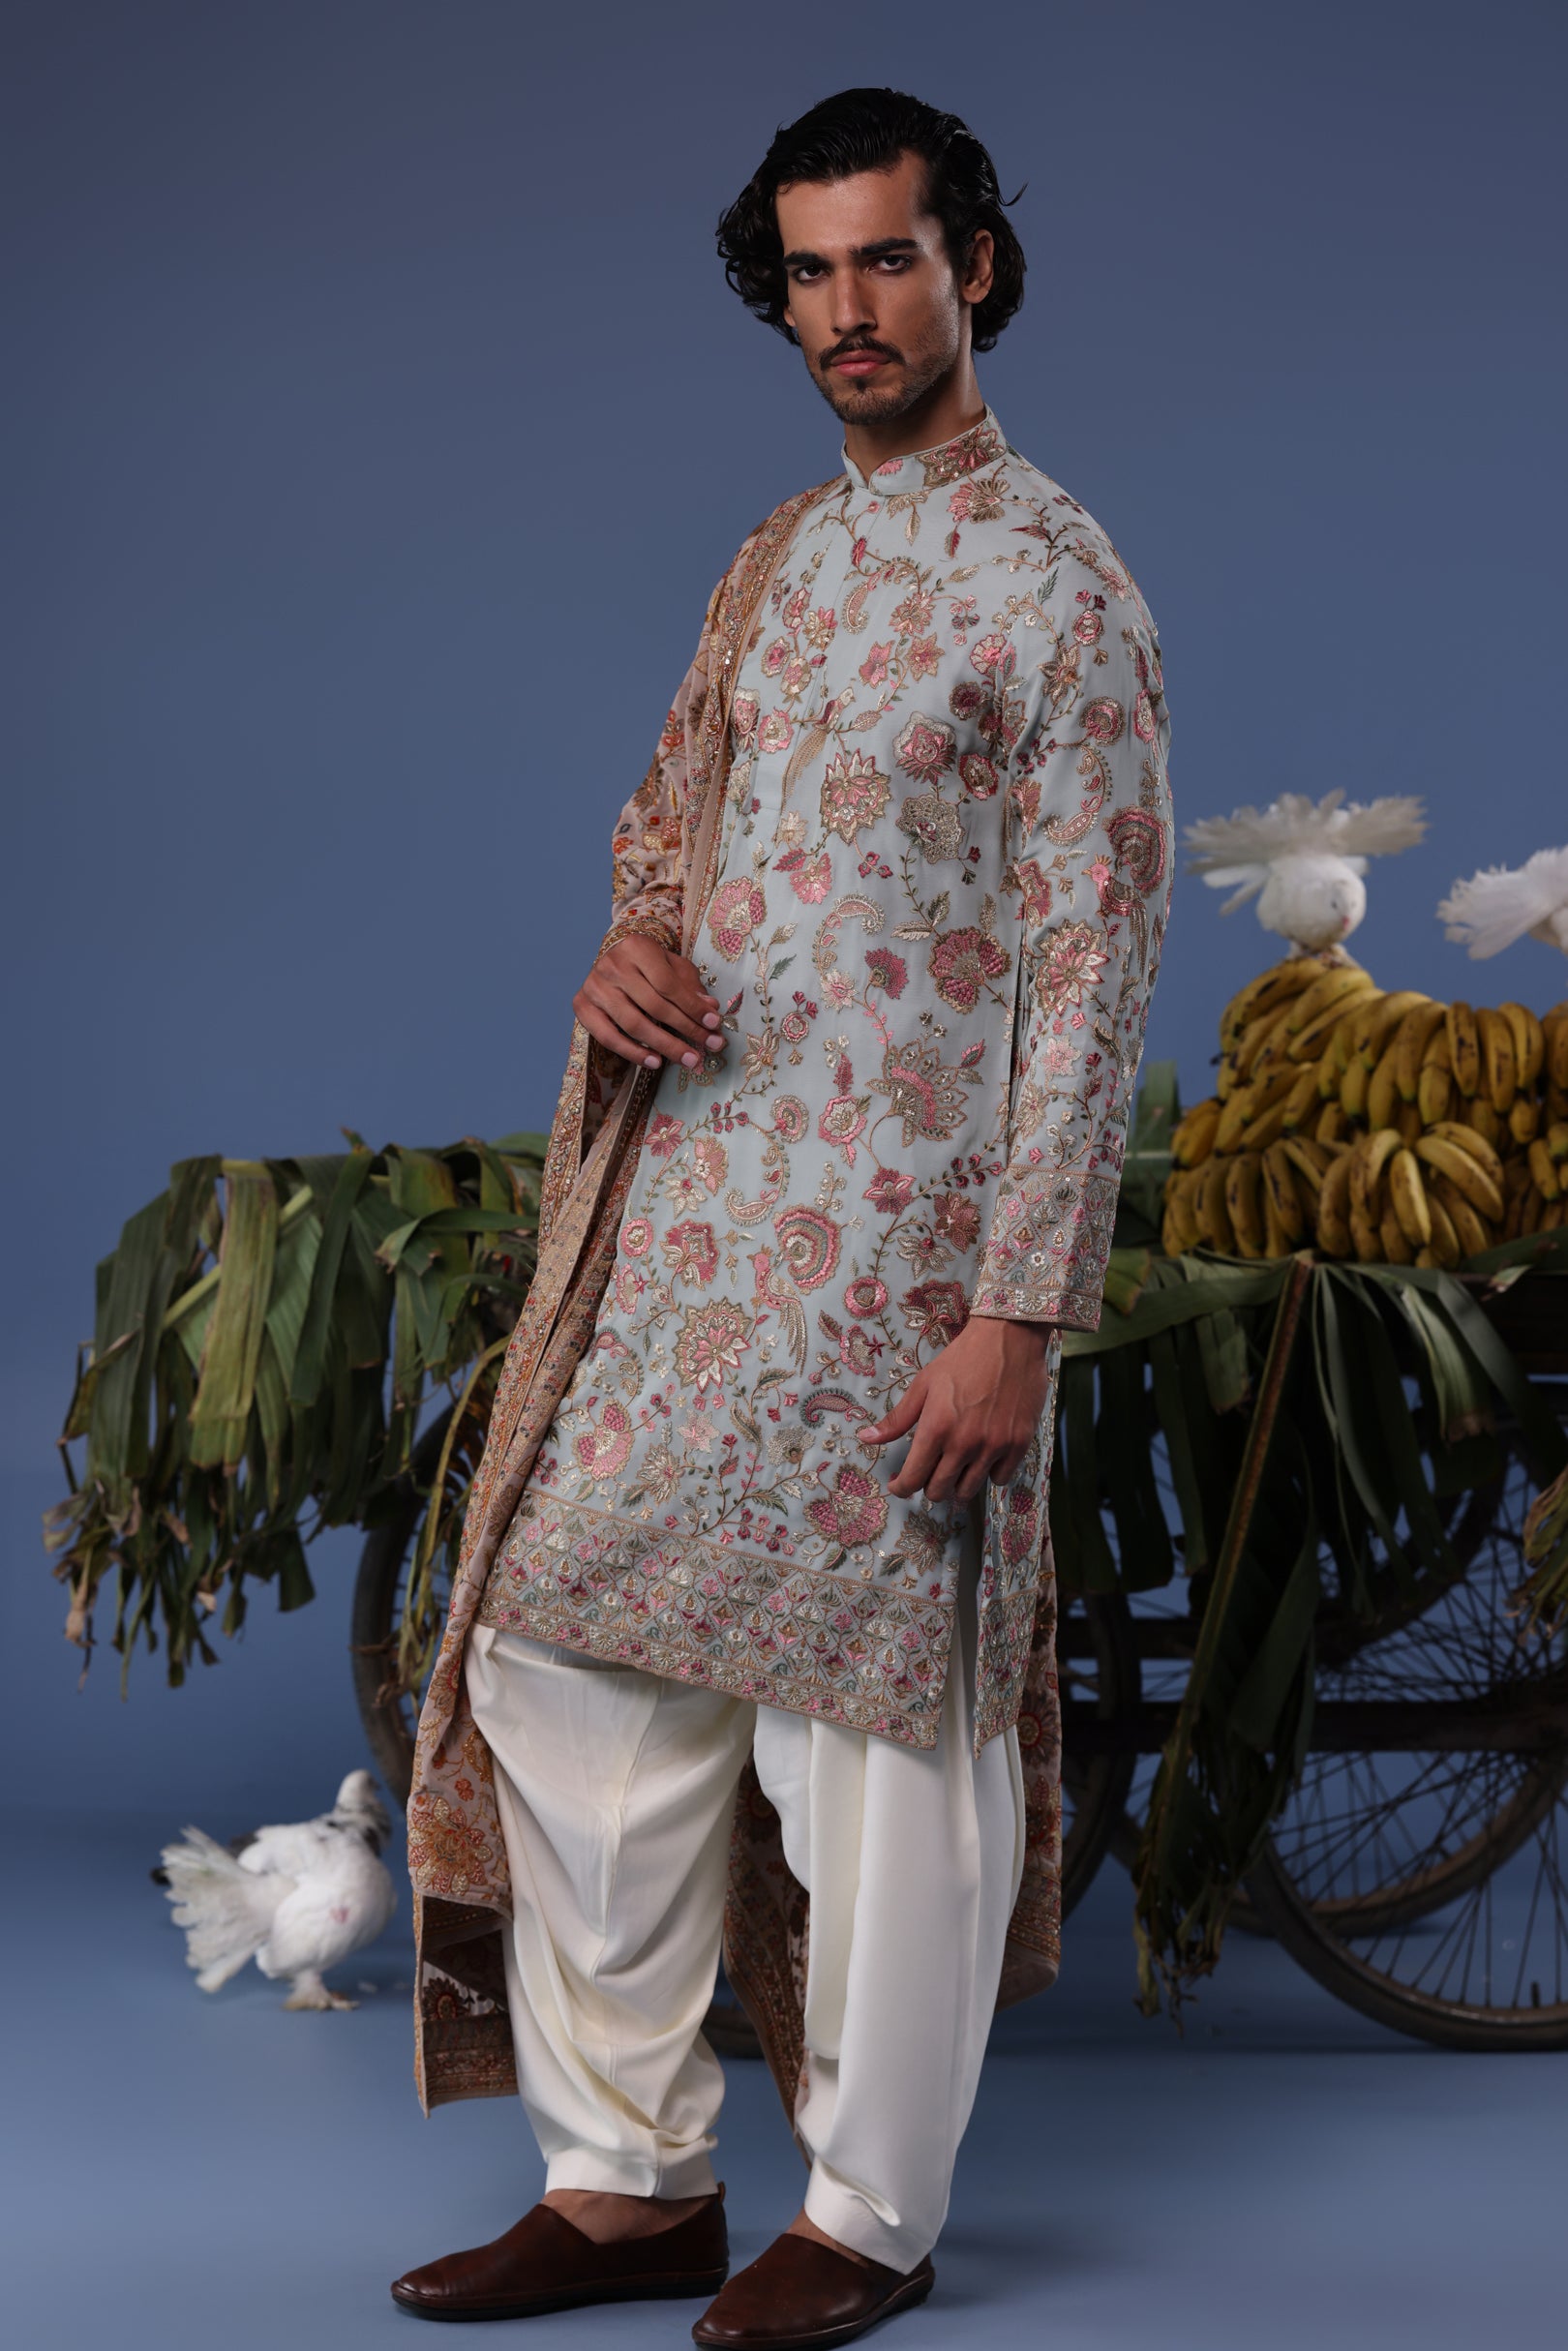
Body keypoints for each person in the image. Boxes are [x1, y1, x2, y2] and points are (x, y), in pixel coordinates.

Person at [392, 85, 1172, 2349]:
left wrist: (1019, 1311)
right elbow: (670, 825)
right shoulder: (779, 559)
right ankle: (626, 2184)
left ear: (973, 270)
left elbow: (1098, 976)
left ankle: (870, 2215)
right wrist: (633, 945)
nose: (849, 311)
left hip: (910, 1266)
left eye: (888, 262)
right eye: (813, 273)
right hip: (698, 1222)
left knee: (883, 1741)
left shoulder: (1062, 587)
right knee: (561, 1655)